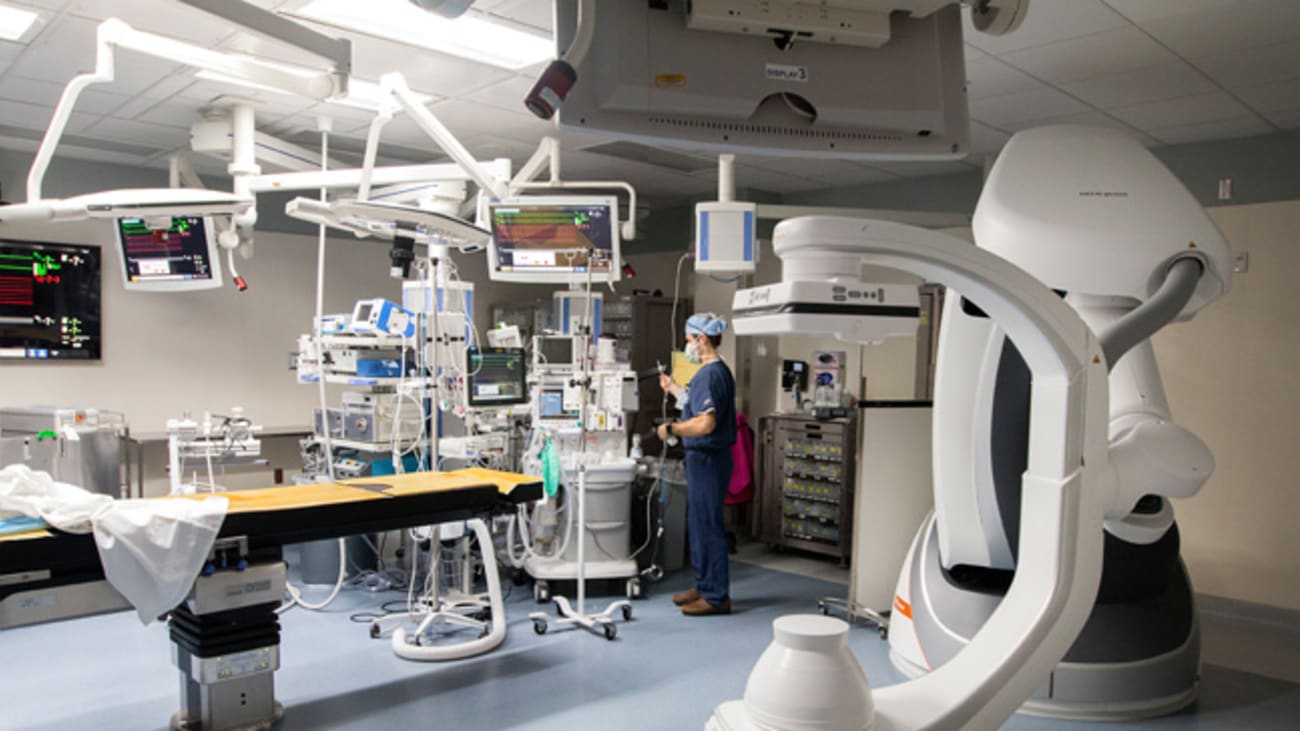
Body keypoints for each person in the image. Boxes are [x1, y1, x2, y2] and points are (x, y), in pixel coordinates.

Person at [658, 313, 736, 616]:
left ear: (702, 339)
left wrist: (673, 429)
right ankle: (704, 585)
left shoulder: (711, 374)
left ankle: (716, 596)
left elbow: (705, 422)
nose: (686, 345)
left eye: (689, 340)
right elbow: (696, 403)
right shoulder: (709, 373)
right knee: (699, 525)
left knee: (708, 526)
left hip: (708, 457)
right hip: (703, 458)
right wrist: (675, 390)